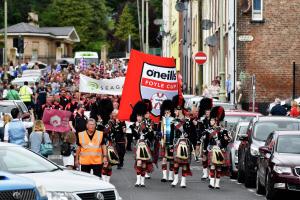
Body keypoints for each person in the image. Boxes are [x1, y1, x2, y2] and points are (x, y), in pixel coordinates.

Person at [204, 106, 231, 189]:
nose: (210, 121)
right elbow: (206, 141)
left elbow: (225, 143)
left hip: (220, 150)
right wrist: (205, 150)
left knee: (218, 167)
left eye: (212, 120)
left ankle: (217, 183)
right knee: (212, 166)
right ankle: (212, 183)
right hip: (212, 149)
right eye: (210, 120)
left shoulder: (223, 131)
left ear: (216, 121)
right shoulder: (208, 130)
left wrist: (226, 139)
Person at [171, 95, 192, 188]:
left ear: (180, 110)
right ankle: (175, 180)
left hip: (185, 143)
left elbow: (192, 134)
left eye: (177, 110)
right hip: (176, 142)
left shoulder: (187, 121)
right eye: (175, 110)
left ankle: (183, 181)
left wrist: (193, 144)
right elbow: (171, 134)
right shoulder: (173, 121)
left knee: (184, 163)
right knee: (175, 162)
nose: (175, 112)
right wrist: (170, 144)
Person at [130, 101, 153, 187]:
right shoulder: (133, 126)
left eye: (140, 116)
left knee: (144, 164)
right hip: (137, 144)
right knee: (139, 162)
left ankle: (142, 181)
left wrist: (145, 131)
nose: (138, 118)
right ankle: (138, 180)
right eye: (137, 116)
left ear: (143, 116)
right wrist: (135, 129)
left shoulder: (147, 124)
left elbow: (151, 136)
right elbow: (135, 136)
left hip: (145, 144)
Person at [160, 99, 175, 183]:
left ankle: (170, 176)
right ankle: (164, 176)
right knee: (164, 159)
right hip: (164, 142)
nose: (167, 114)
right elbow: (159, 131)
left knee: (172, 159)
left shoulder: (174, 121)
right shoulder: (161, 121)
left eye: (168, 112)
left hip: (172, 142)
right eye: (165, 112)